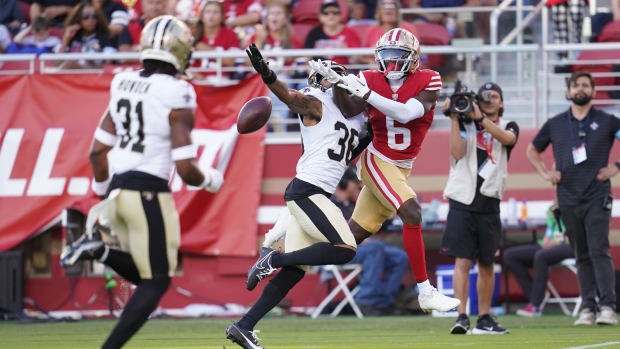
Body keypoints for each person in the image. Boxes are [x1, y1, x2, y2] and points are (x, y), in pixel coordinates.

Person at [60, 15, 224, 348]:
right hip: (148, 191)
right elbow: (186, 168)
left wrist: (103, 196)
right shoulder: (178, 91)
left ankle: (100, 249)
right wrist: (210, 179)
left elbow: (97, 152)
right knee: (158, 282)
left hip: (119, 191)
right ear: (181, 51)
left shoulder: (121, 82)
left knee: (151, 275)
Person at [310, 27, 460, 313]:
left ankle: (284, 258)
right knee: (412, 211)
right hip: (376, 159)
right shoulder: (368, 78)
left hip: (401, 167)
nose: (391, 65)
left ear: (413, 58)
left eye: (398, 57)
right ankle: (425, 291)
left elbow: (405, 113)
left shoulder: (429, 79)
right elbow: (349, 110)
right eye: (387, 58)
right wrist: (337, 84)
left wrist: (365, 93)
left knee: (348, 240)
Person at [225, 49, 367, 349]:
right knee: (344, 249)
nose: (338, 83)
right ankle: (271, 260)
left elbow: (349, 154)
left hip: (314, 193)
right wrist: (268, 75)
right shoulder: (317, 103)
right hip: (308, 191)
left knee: (295, 272)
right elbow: (289, 97)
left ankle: (244, 327)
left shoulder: (356, 120)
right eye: (333, 79)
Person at [526, 71, 618, 326]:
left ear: (593, 90)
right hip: (567, 197)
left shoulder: (608, 121)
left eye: (585, 85)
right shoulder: (555, 123)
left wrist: (616, 167)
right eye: (575, 85)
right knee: (581, 254)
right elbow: (532, 149)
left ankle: (608, 307)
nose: (580, 89)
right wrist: (545, 172)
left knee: (599, 249)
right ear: (568, 92)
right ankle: (587, 309)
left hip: (597, 195)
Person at [439, 82, 518, 335]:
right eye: (485, 96)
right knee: (462, 260)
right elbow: (457, 153)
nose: (490, 99)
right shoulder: (465, 126)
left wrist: (480, 118)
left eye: (495, 96)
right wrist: (454, 118)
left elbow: (508, 139)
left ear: (502, 103)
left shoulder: (507, 125)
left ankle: (484, 318)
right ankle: (461, 317)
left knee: (486, 262)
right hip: (462, 200)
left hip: (489, 202)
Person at [504, 203, 574, 317]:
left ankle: (535, 305)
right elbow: (549, 234)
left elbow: (570, 238)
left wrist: (553, 242)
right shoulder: (552, 210)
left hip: (571, 247)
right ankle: (536, 295)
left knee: (541, 256)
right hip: (548, 246)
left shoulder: (574, 206)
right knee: (509, 256)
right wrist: (549, 241)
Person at [56, 0, 118, 67]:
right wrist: (66, 40)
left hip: (93, 76)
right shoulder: (72, 39)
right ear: (78, 19)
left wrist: (78, 67)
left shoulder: (106, 38)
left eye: (94, 16)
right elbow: (56, 65)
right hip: (70, 76)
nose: (90, 20)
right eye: (86, 17)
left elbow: (107, 66)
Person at [192, 0, 240, 81]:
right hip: (197, 81)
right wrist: (196, 75)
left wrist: (207, 49)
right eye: (208, 12)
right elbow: (185, 64)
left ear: (222, 17)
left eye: (215, 12)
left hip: (223, 81)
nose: (211, 16)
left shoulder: (230, 34)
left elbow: (231, 62)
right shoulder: (192, 35)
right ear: (202, 16)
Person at [304, 0, 362, 65]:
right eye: (326, 13)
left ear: (340, 15)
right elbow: (307, 58)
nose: (331, 16)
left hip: (345, 71)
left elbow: (358, 60)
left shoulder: (350, 32)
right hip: (319, 72)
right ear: (320, 16)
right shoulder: (314, 33)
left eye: (335, 12)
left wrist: (348, 52)